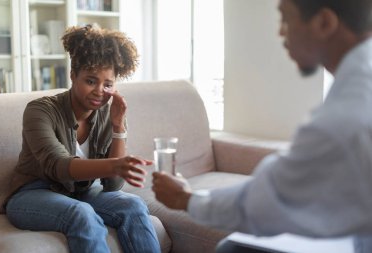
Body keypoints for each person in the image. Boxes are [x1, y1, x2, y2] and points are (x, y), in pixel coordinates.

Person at [152, 0, 372, 252]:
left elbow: (267, 201)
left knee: (231, 249)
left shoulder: (346, 113)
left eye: (286, 19)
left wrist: (185, 199)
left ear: (324, 22)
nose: (280, 32)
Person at [5, 24, 161, 253]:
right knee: (81, 213)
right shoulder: (40, 111)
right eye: (91, 81)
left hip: (82, 192)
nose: (100, 91)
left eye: (108, 84)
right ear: (72, 76)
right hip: (33, 193)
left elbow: (113, 185)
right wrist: (116, 164)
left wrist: (119, 128)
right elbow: (58, 166)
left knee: (134, 204)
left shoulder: (111, 113)